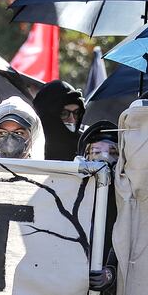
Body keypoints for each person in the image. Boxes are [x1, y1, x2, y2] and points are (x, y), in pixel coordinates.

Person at [78, 120, 119, 294]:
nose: (105, 157)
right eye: (96, 151)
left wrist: (111, 272)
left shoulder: (129, 199)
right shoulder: (70, 194)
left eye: (113, 152)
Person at [33, 80, 85, 161]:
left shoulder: (87, 147)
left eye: (76, 113)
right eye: (64, 113)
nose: (72, 120)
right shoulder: (30, 146)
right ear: (48, 116)